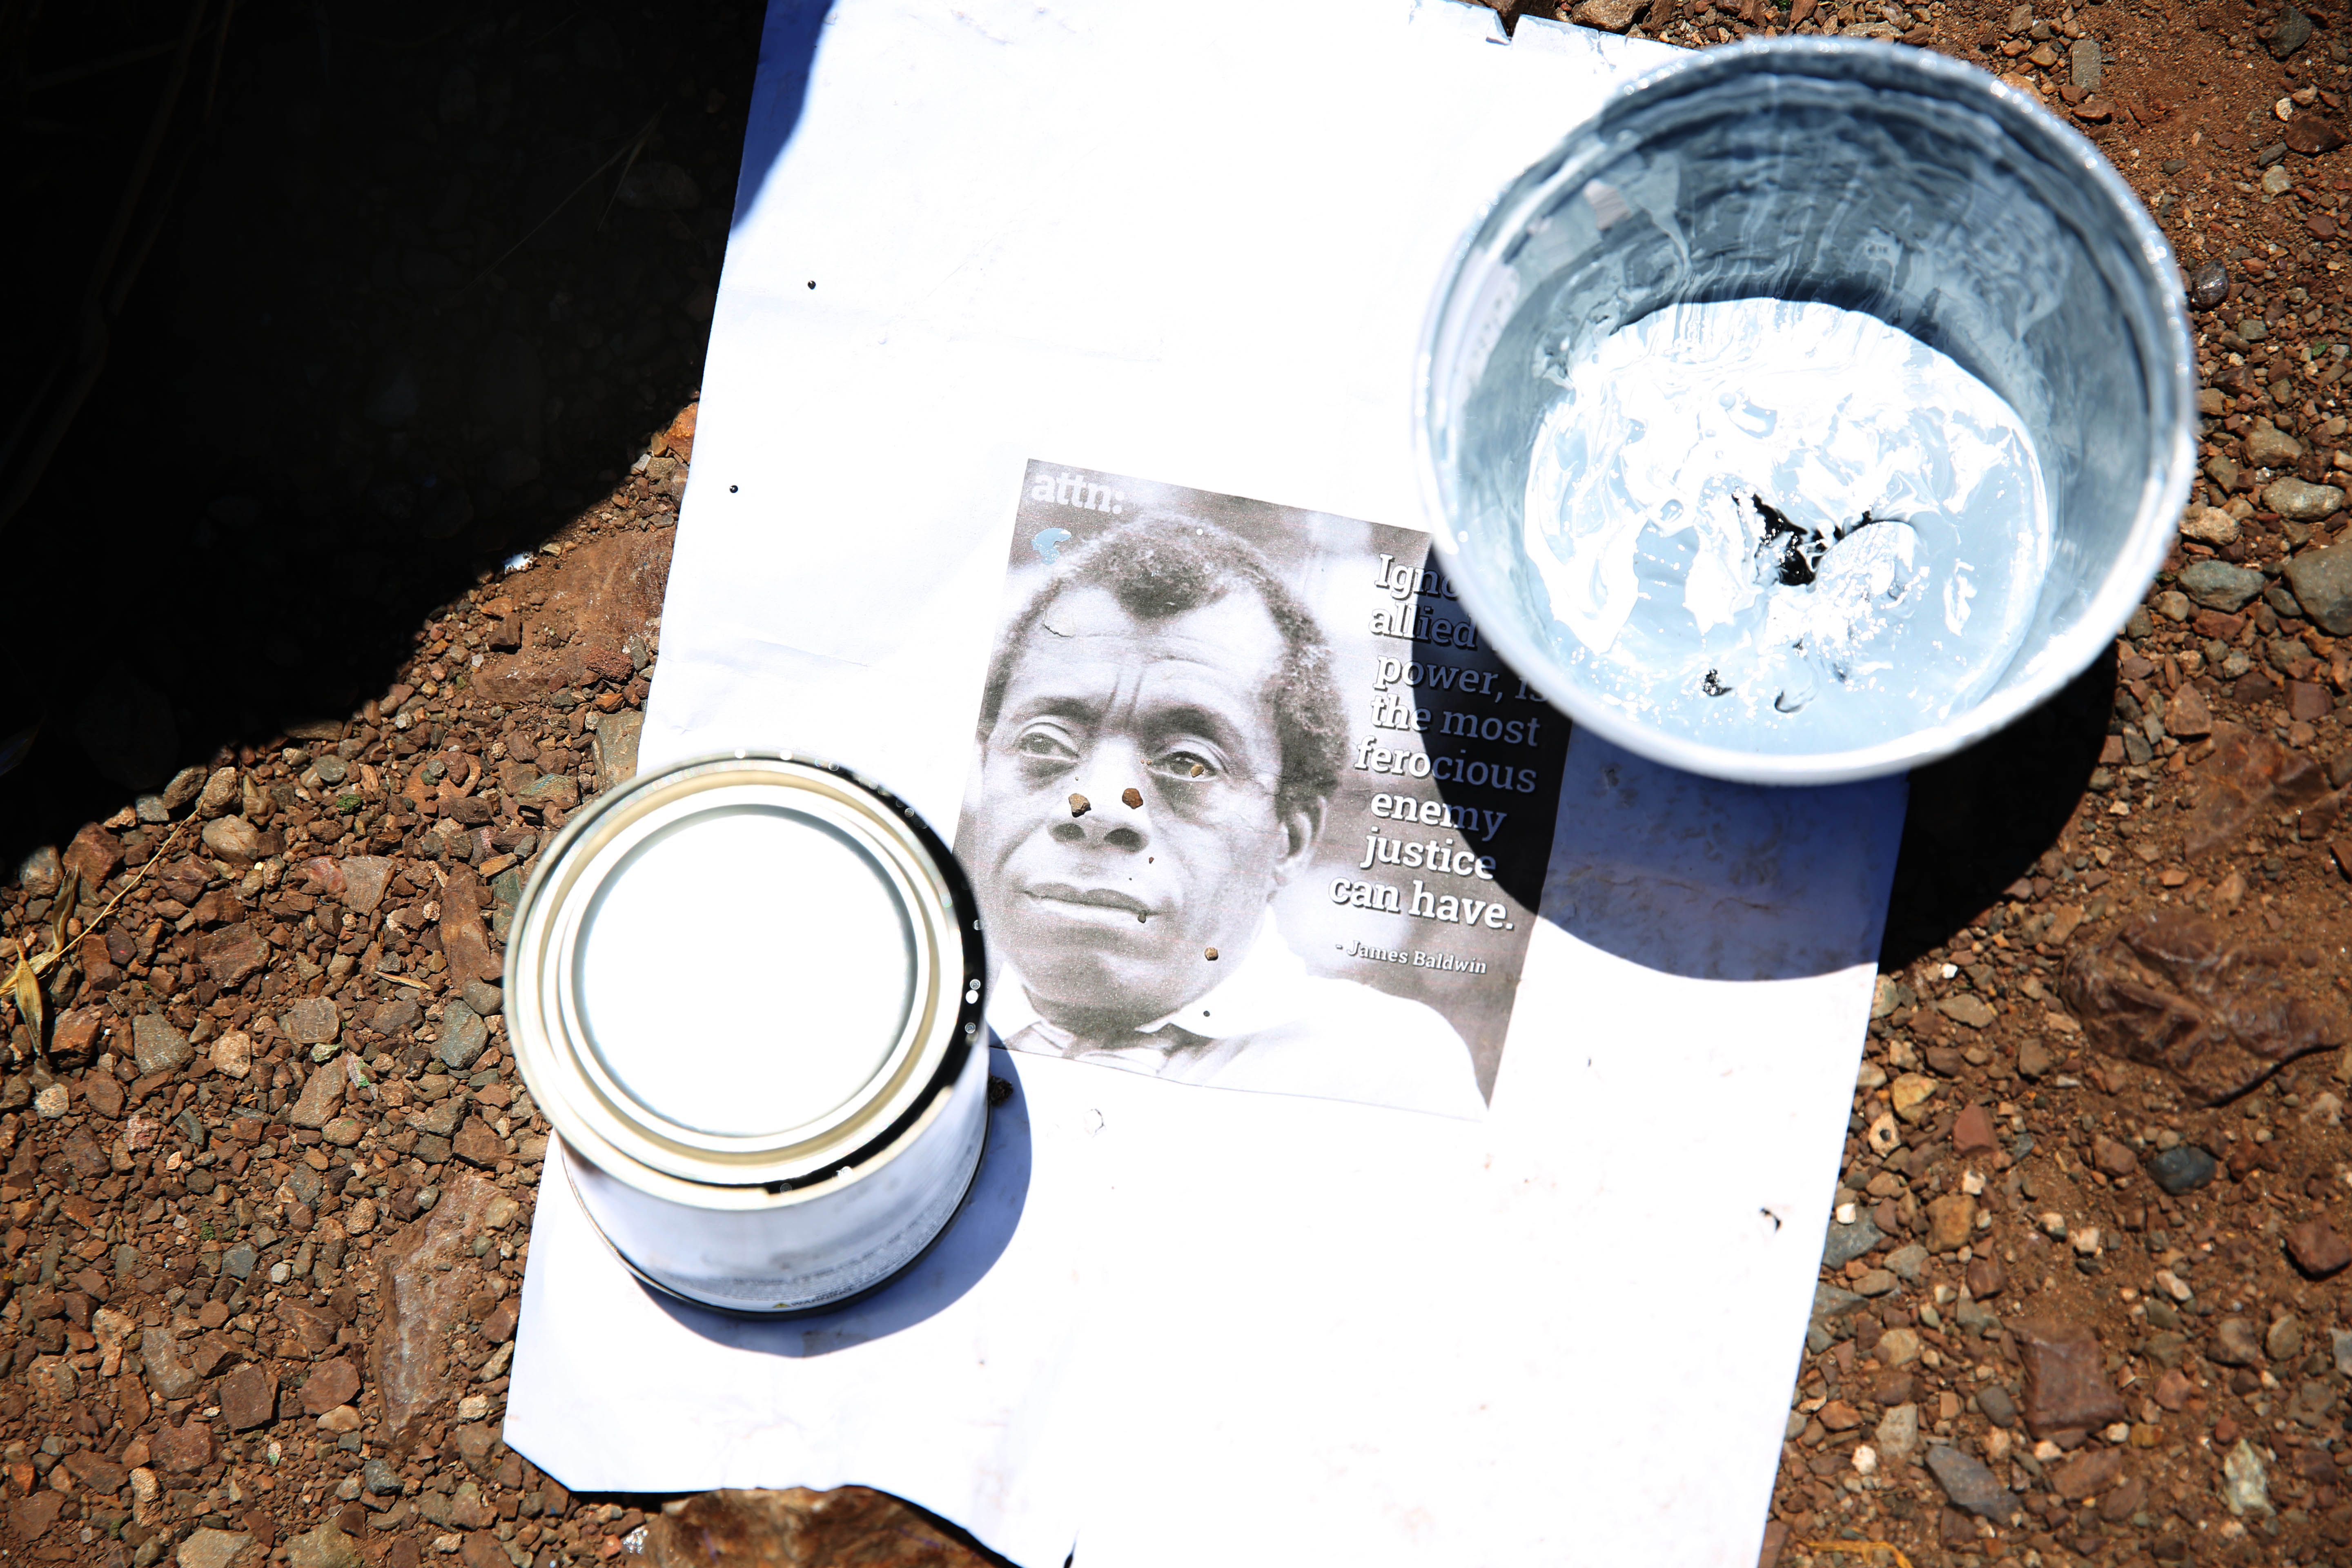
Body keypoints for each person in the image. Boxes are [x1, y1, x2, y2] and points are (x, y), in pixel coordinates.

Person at [960, 513, 1485, 1117]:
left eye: (1189, 763)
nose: (1099, 808)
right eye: (1043, 744)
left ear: (1290, 841)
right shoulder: (893, 1000)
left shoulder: (1376, 1076)